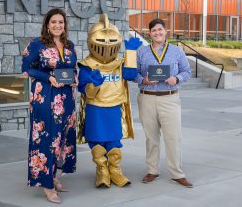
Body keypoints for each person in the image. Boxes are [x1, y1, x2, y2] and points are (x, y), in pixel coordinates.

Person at [77, 13, 142, 188]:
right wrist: (94, 85)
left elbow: (130, 74)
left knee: (114, 141)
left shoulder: (120, 63)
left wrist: (131, 53)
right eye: (102, 41)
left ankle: (115, 170)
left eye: (111, 42)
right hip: (96, 109)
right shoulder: (86, 64)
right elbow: (85, 91)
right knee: (97, 140)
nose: (106, 46)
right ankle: (102, 170)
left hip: (114, 108)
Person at [22, 8, 78, 203]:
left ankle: (54, 176)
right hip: (45, 98)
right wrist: (48, 78)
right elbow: (26, 68)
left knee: (62, 138)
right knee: (46, 138)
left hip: (67, 98)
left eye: (60, 22)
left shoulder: (69, 45)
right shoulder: (36, 45)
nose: (57, 25)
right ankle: (46, 184)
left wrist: (75, 78)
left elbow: (73, 68)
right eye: (53, 22)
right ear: (47, 24)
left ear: (65, 25)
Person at [134, 18, 193, 188]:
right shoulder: (142, 52)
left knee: (173, 137)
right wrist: (143, 79)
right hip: (147, 97)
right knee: (151, 137)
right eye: (153, 30)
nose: (157, 33)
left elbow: (187, 71)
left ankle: (177, 173)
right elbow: (134, 74)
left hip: (169, 97)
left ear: (165, 31)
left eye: (160, 29)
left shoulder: (176, 51)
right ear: (149, 33)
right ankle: (153, 170)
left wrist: (177, 78)